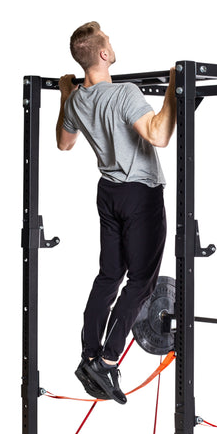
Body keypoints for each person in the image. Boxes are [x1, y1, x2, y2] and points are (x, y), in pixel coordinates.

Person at [56, 21, 176, 405]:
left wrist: (64, 95)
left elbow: (64, 142)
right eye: (108, 40)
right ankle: (107, 360)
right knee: (141, 282)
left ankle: (88, 355)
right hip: (140, 193)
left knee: (110, 276)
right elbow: (159, 134)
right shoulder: (124, 93)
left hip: (108, 193)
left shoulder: (76, 100)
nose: (112, 43)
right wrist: (175, 85)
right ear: (104, 54)